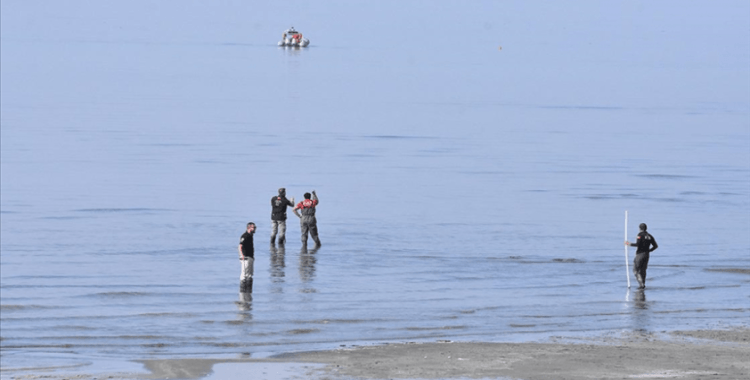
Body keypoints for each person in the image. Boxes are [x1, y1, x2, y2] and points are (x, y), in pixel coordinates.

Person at [625, 223, 658, 289]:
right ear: (646, 228)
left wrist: (629, 244)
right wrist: (649, 250)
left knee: (636, 270)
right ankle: (643, 284)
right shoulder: (650, 236)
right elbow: (655, 246)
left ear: (640, 228)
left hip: (640, 254)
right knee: (643, 270)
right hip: (646, 254)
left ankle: (641, 284)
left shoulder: (640, 235)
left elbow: (638, 244)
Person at [238, 222, 256, 293]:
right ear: (249, 228)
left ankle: (248, 291)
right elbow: (240, 246)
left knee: (250, 275)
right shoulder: (245, 236)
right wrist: (242, 255)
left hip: (250, 257)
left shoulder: (250, 236)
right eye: (253, 228)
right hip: (245, 257)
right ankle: (243, 291)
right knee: (244, 274)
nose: (254, 229)